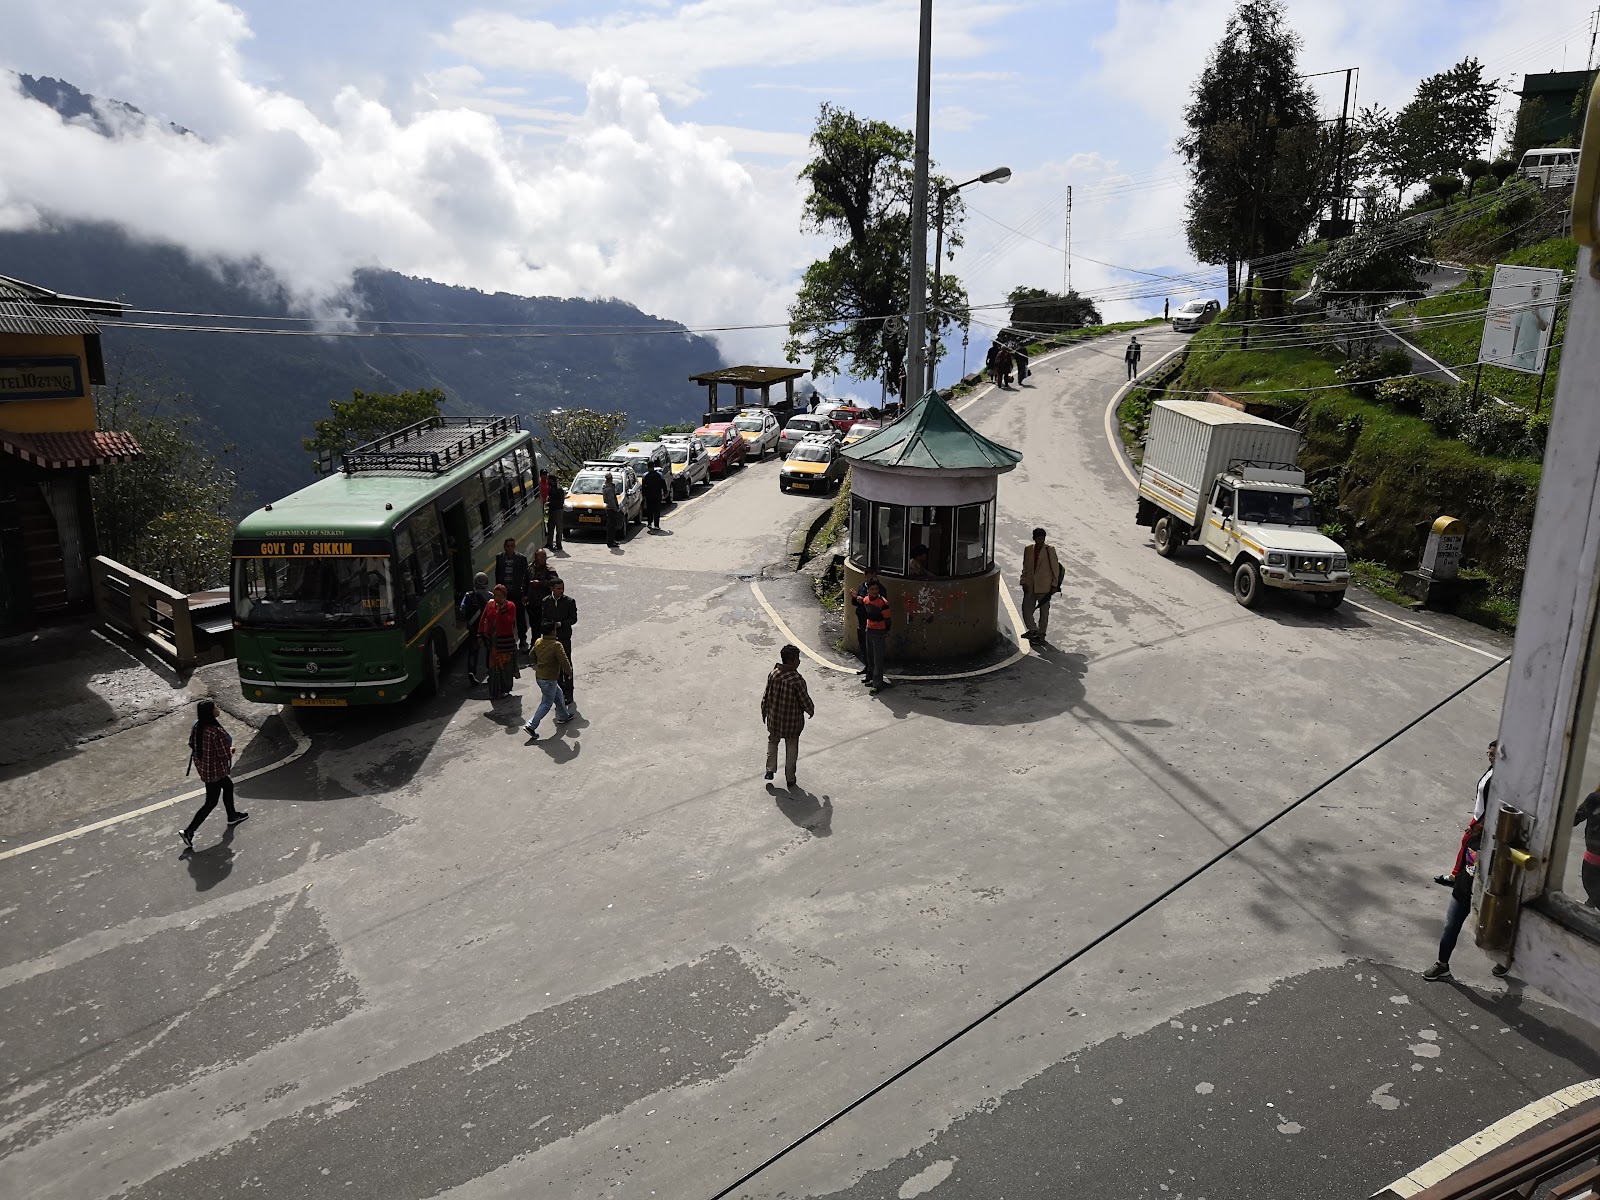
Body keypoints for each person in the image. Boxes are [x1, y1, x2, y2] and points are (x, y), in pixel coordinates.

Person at [180, 699, 248, 849]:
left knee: (228, 786)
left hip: (205, 769)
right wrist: (232, 750)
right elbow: (225, 755)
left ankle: (232, 815)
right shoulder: (217, 732)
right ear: (211, 712)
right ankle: (189, 831)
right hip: (216, 771)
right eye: (215, 707)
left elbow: (191, 744)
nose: (218, 709)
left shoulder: (197, 726)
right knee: (211, 802)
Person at [1423, 817, 1483, 982]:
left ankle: (1505, 962)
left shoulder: (1502, 849)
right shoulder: (1473, 839)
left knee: (1493, 934)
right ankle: (1442, 964)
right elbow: (1467, 866)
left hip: (1486, 897)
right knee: (1450, 927)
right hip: (1463, 891)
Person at [1436, 740, 1496, 887]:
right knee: (1466, 844)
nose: (1491, 757)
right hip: (1478, 817)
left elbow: (1492, 804)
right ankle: (1457, 875)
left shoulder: (1498, 778)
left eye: (1494, 755)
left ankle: (1463, 879)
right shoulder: (1492, 770)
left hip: (1481, 821)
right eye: (1489, 753)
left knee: (1471, 849)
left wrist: (1479, 824)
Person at [761, 643, 815, 788]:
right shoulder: (797, 680)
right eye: (798, 659)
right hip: (792, 723)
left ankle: (770, 769)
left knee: (773, 742)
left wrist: (764, 710)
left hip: (775, 720)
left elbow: (766, 694)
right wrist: (811, 710)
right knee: (791, 747)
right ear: (791, 661)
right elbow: (804, 701)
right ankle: (790, 778)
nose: (799, 662)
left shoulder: (773, 674)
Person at [522, 621, 575, 740]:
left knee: (558, 693)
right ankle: (531, 725)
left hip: (540, 677)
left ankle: (563, 715)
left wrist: (538, 663)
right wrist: (569, 672)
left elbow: (531, 655)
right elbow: (564, 661)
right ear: (552, 631)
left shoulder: (538, 642)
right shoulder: (556, 645)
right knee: (546, 703)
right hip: (549, 678)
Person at [540, 576, 579, 710]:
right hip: (551, 640)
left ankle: (569, 693)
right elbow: (543, 619)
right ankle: (559, 693)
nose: (561, 591)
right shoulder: (546, 602)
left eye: (562, 588)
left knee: (566, 665)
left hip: (564, 638)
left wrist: (561, 624)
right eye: (558, 589)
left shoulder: (569, 602)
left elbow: (573, 619)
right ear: (552, 589)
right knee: (555, 668)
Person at [479, 583, 520, 703]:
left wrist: (502, 610)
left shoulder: (510, 606)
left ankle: (505, 689)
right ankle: (494, 691)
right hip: (493, 642)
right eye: (495, 595)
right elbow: (483, 619)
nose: (496, 598)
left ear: (504, 596)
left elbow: (509, 621)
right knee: (493, 667)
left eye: (499, 595)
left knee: (505, 667)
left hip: (506, 641)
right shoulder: (490, 604)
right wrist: (480, 634)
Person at [1020, 527, 1061, 644]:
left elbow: (1055, 568)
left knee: (1044, 611)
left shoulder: (1049, 550)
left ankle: (1041, 633)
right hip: (1030, 585)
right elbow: (1025, 567)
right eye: (1038, 538)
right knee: (1026, 609)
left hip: (1045, 586)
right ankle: (1033, 629)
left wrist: (1054, 585)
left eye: (1042, 538)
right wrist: (1023, 581)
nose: (1041, 540)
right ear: (1034, 538)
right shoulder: (1028, 549)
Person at [494, 537, 531, 653]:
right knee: (507, 617)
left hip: (517, 593)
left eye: (512, 546)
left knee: (520, 616)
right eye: (507, 546)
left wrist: (524, 594)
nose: (510, 548)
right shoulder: (500, 558)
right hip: (505, 594)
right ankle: (511, 640)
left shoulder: (521, 559)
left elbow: (526, 577)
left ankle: (523, 638)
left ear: (514, 547)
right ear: (504, 547)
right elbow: (498, 574)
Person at [858, 578, 893, 693]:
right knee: (871, 657)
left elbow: (887, 619)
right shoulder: (866, 600)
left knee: (878, 659)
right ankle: (873, 679)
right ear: (868, 590)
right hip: (869, 630)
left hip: (879, 632)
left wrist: (886, 630)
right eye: (872, 589)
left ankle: (877, 684)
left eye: (876, 589)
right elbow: (862, 602)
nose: (875, 591)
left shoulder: (883, 602)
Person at [459, 570, 494, 685]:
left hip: (474, 627)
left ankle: (471, 671)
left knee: (473, 651)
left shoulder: (468, 596)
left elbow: (462, 608)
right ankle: (490, 671)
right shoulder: (491, 596)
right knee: (490, 649)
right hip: (486, 628)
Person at [851, 568, 883, 674]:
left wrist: (863, 600)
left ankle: (873, 672)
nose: (872, 578)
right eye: (869, 575)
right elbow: (856, 603)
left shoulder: (880, 589)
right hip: (862, 621)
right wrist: (855, 598)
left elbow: (879, 605)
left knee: (873, 650)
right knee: (864, 647)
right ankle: (867, 667)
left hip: (873, 624)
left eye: (874, 575)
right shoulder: (861, 586)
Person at [1575, 784, 1600, 908]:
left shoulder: (1595, 799)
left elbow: (1575, 818)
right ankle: (1591, 902)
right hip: (1595, 852)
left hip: (1594, 854)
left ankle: (1594, 902)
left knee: (1590, 882)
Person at [642, 463, 669, 531]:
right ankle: (656, 525)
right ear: (653, 467)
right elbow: (663, 484)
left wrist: (643, 495)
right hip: (657, 495)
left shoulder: (645, 475)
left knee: (649, 509)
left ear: (647, 467)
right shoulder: (659, 475)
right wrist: (665, 492)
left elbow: (643, 487)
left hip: (649, 496)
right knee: (657, 510)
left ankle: (649, 523)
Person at [543, 471, 565, 552]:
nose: (547, 481)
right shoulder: (551, 488)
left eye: (548, 479)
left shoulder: (558, 489)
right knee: (550, 527)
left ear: (552, 480)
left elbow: (559, 501)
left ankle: (558, 544)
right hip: (552, 510)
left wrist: (550, 503)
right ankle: (550, 543)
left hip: (557, 510)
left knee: (558, 528)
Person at [602, 472, 623, 548]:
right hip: (611, 509)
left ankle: (611, 541)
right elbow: (611, 501)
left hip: (608, 508)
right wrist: (616, 509)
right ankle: (610, 542)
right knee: (611, 526)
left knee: (611, 526)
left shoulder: (605, 487)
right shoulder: (609, 489)